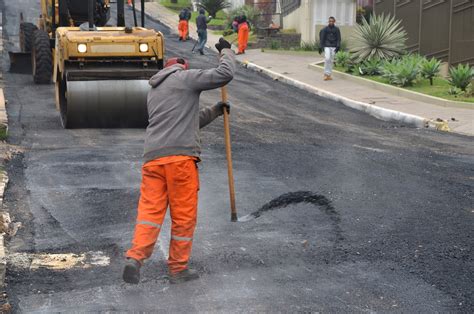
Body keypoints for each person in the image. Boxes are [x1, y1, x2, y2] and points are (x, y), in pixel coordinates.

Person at [123, 38, 235, 285]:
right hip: (179, 162)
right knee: (183, 216)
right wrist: (225, 50)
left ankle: (135, 258)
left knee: (149, 214)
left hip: (153, 160)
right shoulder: (185, 78)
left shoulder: (155, 90)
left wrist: (215, 111)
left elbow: (186, 121)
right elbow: (225, 74)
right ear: (182, 68)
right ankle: (177, 268)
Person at [319, 16, 341, 81]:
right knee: (327, 58)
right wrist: (321, 46)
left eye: (332, 21)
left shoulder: (337, 29)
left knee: (331, 60)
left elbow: (338, 38)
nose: (331, 22)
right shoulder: (325, 29)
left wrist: (338, 46)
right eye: (330, 21)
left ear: (334, 22)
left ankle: (329, 75)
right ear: (328, 22)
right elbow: (322, 38)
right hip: (327, 46)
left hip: (334, 46)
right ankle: (325, 74)